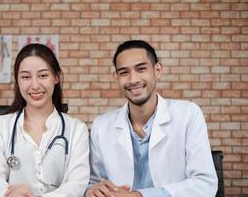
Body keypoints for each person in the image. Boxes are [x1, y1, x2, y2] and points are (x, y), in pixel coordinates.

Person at [86, 40, 218, 197]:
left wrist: (139, 195)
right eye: (124, 72)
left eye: (141, 69)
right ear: (116, 77)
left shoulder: (188, 114)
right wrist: (92, 191)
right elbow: (93, 182)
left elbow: (204, 184)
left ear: (158, 70)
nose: (133, 79)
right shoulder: (101, 125)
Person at [0, 43, 90, 197]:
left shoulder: (77, 129)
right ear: (17, 81)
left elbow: (76, 185)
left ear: (56, 77)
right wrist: (7, 194)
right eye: (26, 77)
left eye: (43, 75)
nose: (35, 85)